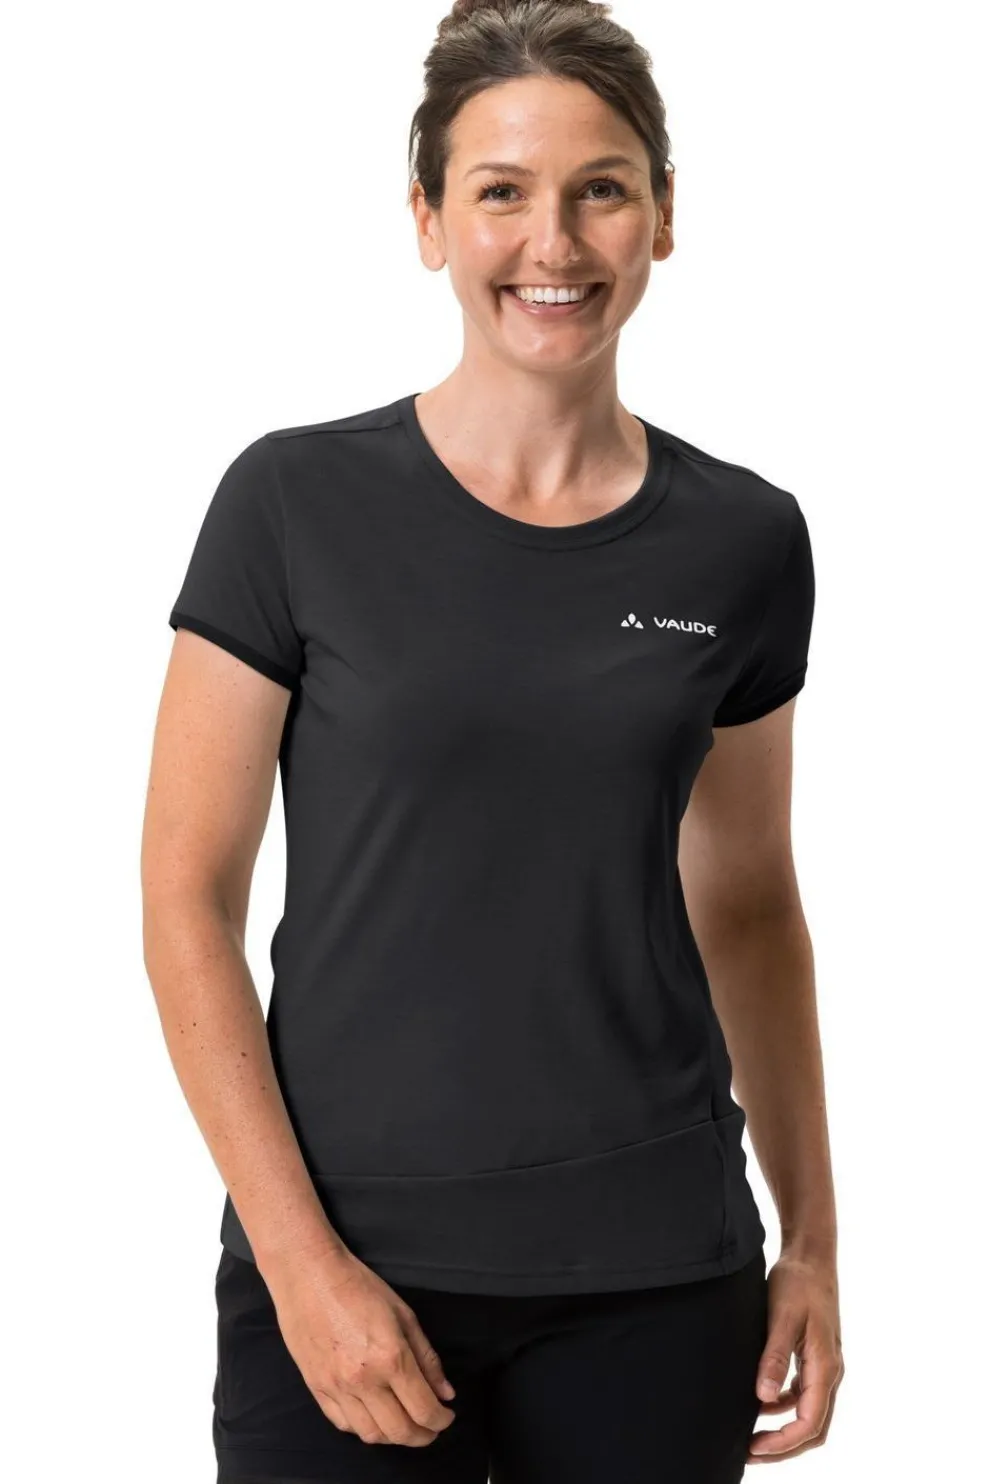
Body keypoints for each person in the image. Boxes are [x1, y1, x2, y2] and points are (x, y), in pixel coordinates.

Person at [142, 1, 844, 1479]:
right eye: (502, 191)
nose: (554, 244)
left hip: (660, 1281)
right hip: (349, 1274)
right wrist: (301, 1267)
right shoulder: (291, 506)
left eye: (603, 189)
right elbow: (185, 899)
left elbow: (749, 905)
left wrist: (814, 1242)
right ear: (428, 220)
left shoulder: (744, 540)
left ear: (664, 216)